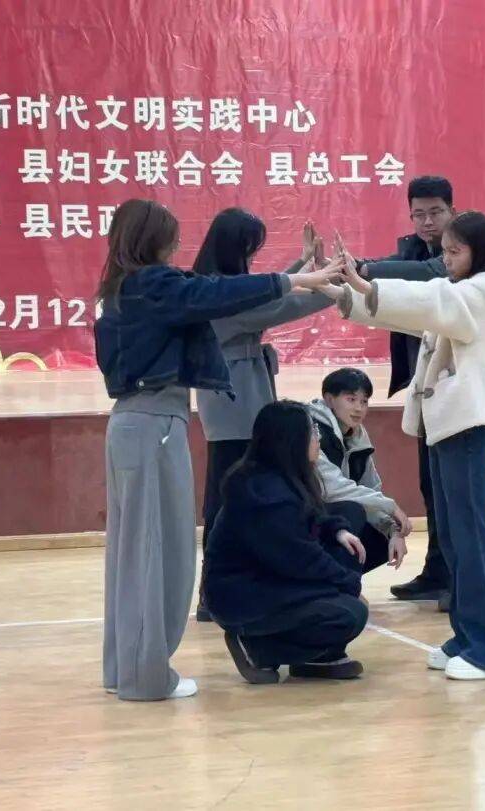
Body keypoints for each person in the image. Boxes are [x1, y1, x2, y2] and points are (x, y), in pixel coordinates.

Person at [93, 199, 343, 701]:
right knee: (158, 552)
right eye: (170, 236)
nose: (176, 245)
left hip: (135, 424)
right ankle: (146, 679)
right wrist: (300, 279)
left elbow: (219, 291)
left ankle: (127, 668)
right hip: (154, 426)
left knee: (133, 552)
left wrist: (298, 272)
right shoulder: (154, 285)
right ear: (152, 240)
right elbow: (221, 292)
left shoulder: (126, 289)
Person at [324, 210, 485, 680]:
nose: (447, 259)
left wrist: (364, 281)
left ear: (481, 251)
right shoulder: (464, 293)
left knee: (474, 539)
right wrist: (342, 292)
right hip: (448, 427)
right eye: (445, 252)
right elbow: (420, 315)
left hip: (469, 430)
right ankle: (469, 637)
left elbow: (431, 298)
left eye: (456, 251)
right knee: (455, 539)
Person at [192, 208, 334, 622]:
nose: (253, 256)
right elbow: (279, 306)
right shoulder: (221, 294)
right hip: (234, 408)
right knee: (225, 502)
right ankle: (213, 593)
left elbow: (264, 294)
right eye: (250, 248)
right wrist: (335, 286)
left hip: (237, 401)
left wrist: (304, 265)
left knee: (228, 498)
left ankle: (221, 589)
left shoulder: (215, 286)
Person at [204, 401, 371, 684]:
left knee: (349, 518)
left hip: (268, 578)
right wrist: (349, 585)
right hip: (242, 596)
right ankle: (257, 646)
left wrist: (337, 530)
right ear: (291, 440)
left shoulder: (281, 475)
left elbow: (313, 517)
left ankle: (317, 656)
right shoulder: (265, 495)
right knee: (349, 614)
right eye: (312, 431)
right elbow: (301, 559)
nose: (318, 438)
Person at [359, 175, 456, 607]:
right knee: (431, 485)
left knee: (451, 492)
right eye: (419, 214)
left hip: (456, 390)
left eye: (435, 212)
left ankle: (458, 580)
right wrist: (353, 270)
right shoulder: (412, 249)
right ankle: (438, 572)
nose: (427, 222)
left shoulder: (460, 253)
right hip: (426, 388)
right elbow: (396, 268)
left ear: (452, 211)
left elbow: (430, 276)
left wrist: (364, 271)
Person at [307, 367, 410, 575]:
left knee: (381, 536)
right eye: (351, 399)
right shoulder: (311, 431)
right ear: (329, 399)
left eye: (364, 401)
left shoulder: (357, 437)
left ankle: (343, 582)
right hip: (303, 519)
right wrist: (390, 506)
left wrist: (393, 530)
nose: (359, 408)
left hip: (330, 519)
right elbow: (332, 489)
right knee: (350, 510)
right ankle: (331, 582)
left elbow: (371, 490)